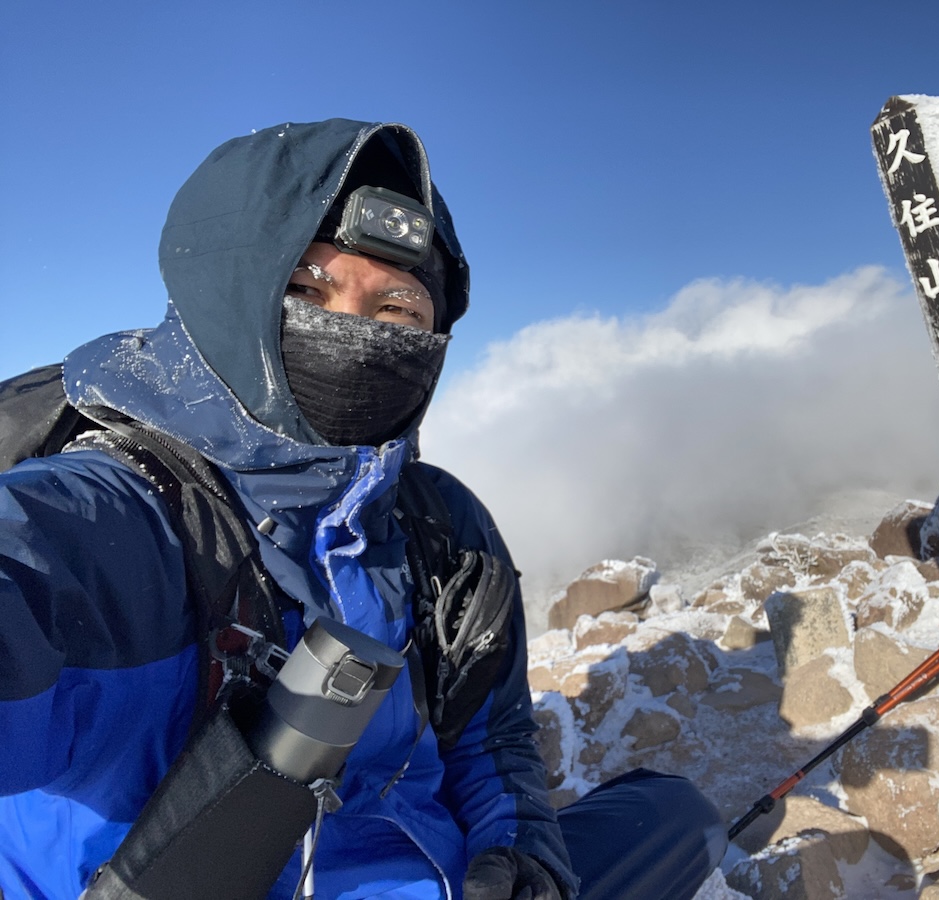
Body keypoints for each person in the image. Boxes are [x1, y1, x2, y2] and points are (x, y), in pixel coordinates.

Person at [0, 119, 728, 899]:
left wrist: (516, 848)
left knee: (678, 816)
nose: (351, 330)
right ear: (224, 300)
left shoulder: (443, 532)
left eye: (397, 313)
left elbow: (492, 735)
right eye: (306, 291)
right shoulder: (121, 525)